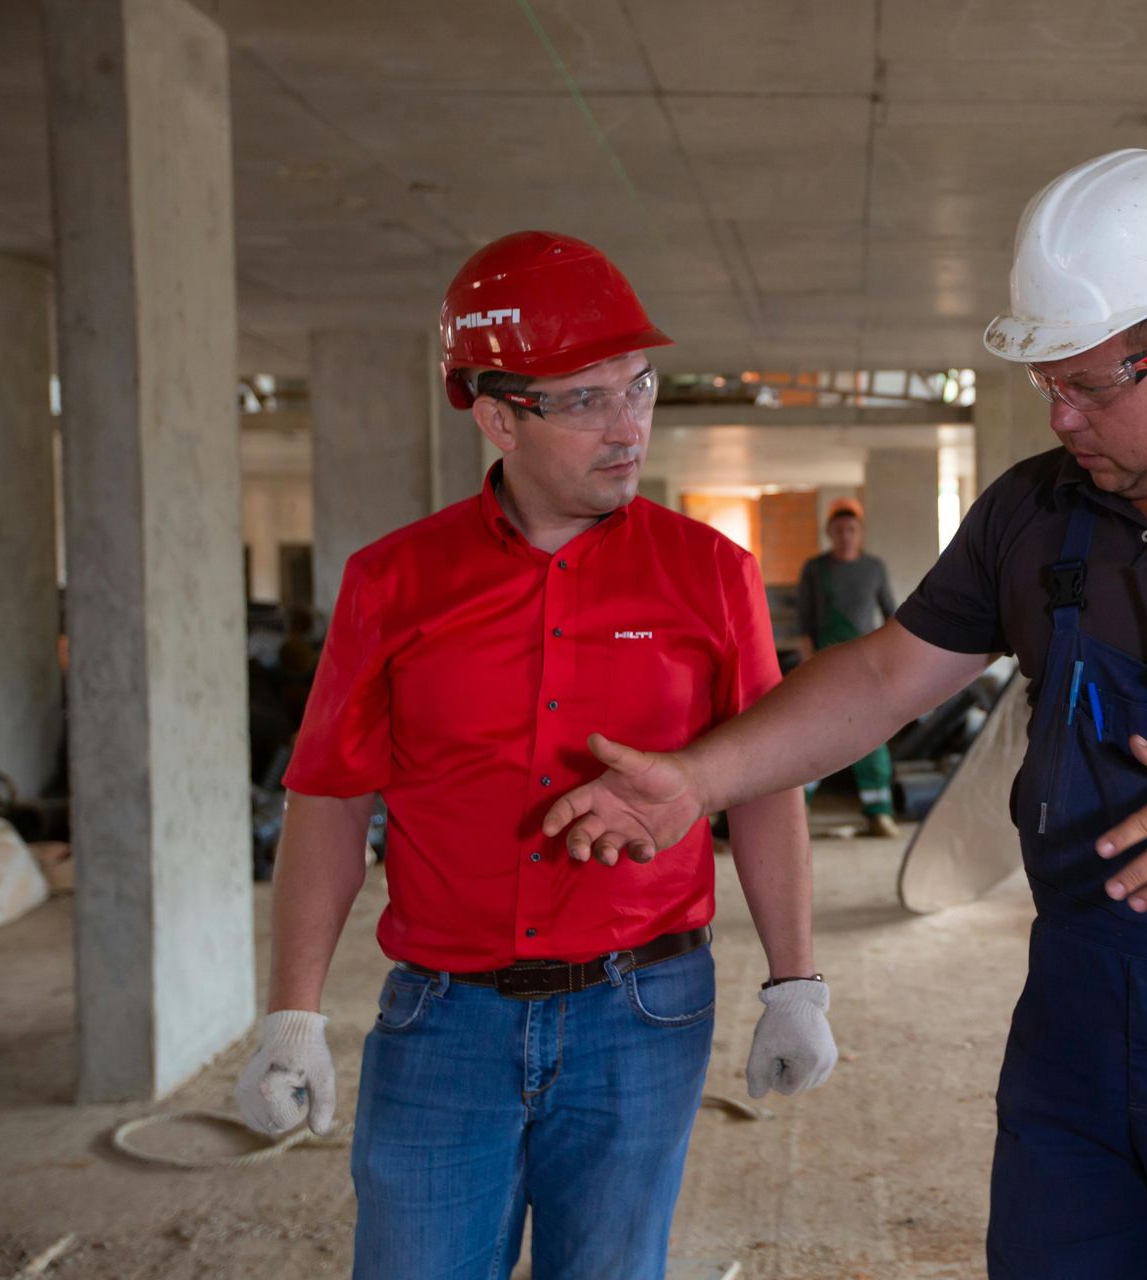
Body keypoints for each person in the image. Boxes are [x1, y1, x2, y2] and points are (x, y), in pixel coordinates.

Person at [539, 148, 1147, 1278]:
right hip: (1077, 1008)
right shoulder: (1033, 512)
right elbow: (881, 678)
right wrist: (700, 779)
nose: (1060, 416)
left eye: (1089, 386)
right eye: (1045, 384)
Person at [234, 231, 838, 1280]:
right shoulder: (394, 584)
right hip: (443, 1021)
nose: (629, 427)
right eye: (588, 399)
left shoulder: (711, 575)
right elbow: (328, 799)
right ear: (498, 413)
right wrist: (290, 1011)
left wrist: (798, 981)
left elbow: (766, 783)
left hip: (643, 1013)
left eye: (639, 387)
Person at [794, 498, 901, 836]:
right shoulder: (815, 569)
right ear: (829, 533)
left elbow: (892, 615)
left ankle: (878, 812)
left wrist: (892, 660)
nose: (845, 536)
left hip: (866, 665)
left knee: (871, 736)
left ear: (860, 533)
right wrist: (808, 665)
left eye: (851, 530)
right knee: (814, 735)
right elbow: (803, 622)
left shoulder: (874, 568)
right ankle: (797, 812)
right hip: (825, 663)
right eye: (839, 530)